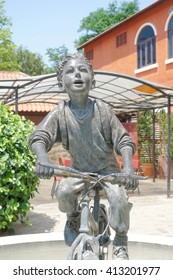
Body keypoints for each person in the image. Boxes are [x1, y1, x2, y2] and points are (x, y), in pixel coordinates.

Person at [29, 53, 138, 260]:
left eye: (83, 70)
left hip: (108, 171)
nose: (77, 75)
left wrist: (128, 169)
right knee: (63, 191)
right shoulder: (60, 112)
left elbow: (124, 140)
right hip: (79, 171)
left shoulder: (103, 110)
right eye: (70, 72)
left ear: (92, 81)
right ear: (62, 84)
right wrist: (43, 158)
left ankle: (121, 241)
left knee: (119, 200)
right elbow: (39, 136)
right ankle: (73, 216)